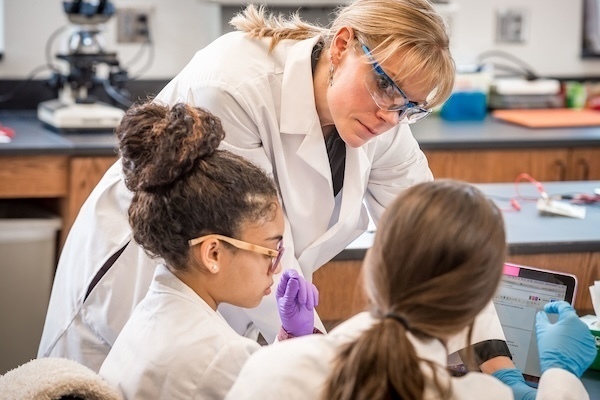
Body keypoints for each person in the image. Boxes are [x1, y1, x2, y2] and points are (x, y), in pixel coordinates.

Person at [40, 0, 515, 377]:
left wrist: (493, 357)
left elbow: (437, 238)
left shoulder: (385, 120)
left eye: (411, 108)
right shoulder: (232, 85)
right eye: (385, 88)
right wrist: (321, 367)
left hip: (237, 296)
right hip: (142, 285)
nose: (390, 117)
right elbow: (253, 241)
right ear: (343, 43)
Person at [226, 180, 597, 400]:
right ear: (483, 301)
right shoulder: (482, 396)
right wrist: (560, 376)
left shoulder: (271, 368)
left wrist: (297, 340)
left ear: (373, 268)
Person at [98, 101, 319, 399]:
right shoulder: (221, 354)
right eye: (270, 252)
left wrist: (291, 339)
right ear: (213, 253)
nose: (276, 268)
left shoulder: (158, 311)